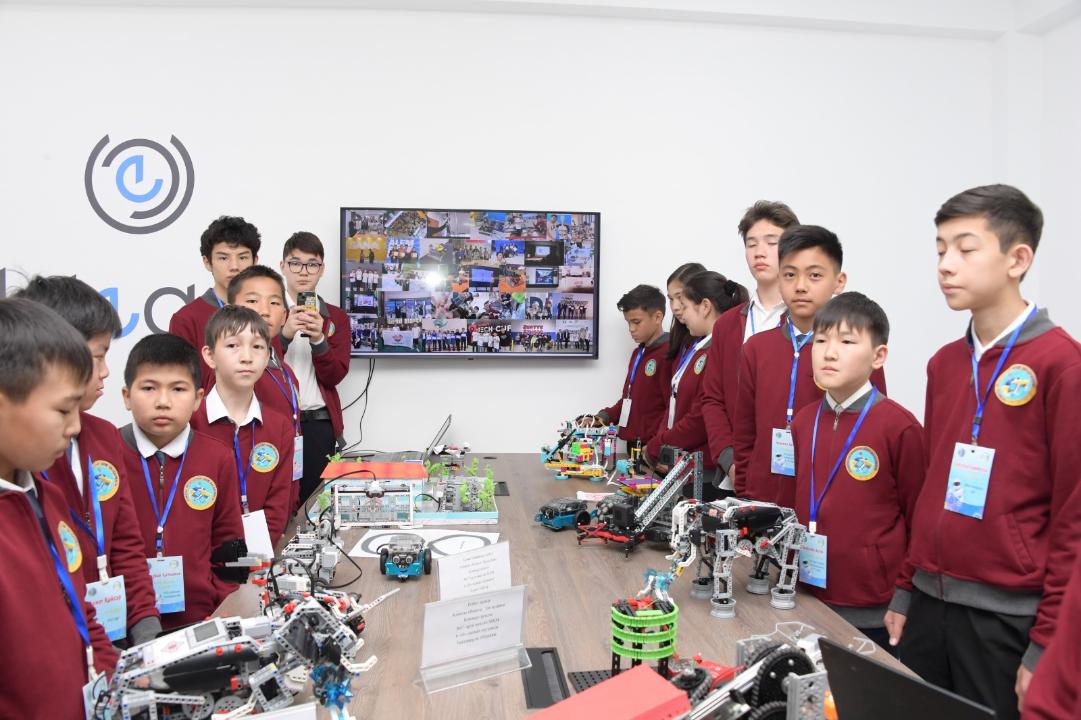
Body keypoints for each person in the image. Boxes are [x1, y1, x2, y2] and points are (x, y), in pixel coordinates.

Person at [884, 185, 1081, 720]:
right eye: (940, 249)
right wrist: (906, 588)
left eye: (965, 249)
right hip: (929, 603)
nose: (946, 265)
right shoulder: (945, 364)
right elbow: (932, 487)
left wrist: (1049, 643)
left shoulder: (1061, 364)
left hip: (1009, 617)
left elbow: (1073, 518)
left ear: (1018, 259)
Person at [16, 276, 161, 646]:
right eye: (98, 356)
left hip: (112, 637)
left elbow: (126, 544)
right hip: (59, 641)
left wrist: (147, 633)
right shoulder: (25, 454)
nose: (106, 371)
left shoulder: (105, 436)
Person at [0, 298, 118, 718]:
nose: (74, 426)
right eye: (63, 410)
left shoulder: (46, 496)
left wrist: (116, 682)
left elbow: (77, 605)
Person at [791, 292, 924, 654]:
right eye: (821, 341)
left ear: (878, 356)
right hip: (806, 594)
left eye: (847, 342)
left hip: (874, 607)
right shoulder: (803, 421)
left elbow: (919, 521)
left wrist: (905, 595)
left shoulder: (899, 427)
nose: (829, 353)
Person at [733, 225, 886, 508]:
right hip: (762, 497)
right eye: (790, 275)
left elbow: (871, 425)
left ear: (839, 281)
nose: (800, 286)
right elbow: (744, 433)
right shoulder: (756, 349)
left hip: (826, 497)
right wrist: (745, 489)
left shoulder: (854, 351)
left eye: (814, 275)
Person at [118, 334, 246, 630]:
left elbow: (230, 543)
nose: (163, 402)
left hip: (200, 618)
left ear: (198, 398)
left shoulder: (218, 457)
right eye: (148, 388)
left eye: (178, 389)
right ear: (127, 396)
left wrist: (222, 608)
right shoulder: (106, 455)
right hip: (124, 623)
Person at [701, 201, 799, 494]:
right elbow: (712, 399)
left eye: (771, 242)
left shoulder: (811, 321)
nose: (759, 252)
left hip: (798, 473)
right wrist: (730, 459)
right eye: (751, 244)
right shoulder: (728, 324)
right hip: (738, 473)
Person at [191, 306, 294, 544]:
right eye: (232, 346)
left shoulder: (279, 427)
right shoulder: (191, 422)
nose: (246, 357)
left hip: (259, 557)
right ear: (209, 356)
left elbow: (278, 507)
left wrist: (249, 559)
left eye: (257, 347)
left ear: (267, 356)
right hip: (201, 557)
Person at [643, 271, 747, 497]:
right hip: (683, 462)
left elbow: (700, 416)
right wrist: (661, 444)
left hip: (706, 469)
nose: (680, 313)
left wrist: (658, 444)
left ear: (705, 307)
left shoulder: (718, 350)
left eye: (685, 305)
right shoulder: (698, 347)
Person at [278, 232, 351, 509]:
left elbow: (334, 376)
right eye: (295, 263)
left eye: (312, 264)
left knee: (316, 507)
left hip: (319, 425)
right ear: (283, 266)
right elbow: (254, 368)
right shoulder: (268, 312)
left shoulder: (336, 317)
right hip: (276, 424)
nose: (303, 271)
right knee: (276, 502)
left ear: (322, 269)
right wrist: (284, 335)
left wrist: (319, 339)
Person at [227, 266, 303, 510]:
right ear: (230, 310)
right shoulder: (233, 371)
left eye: (274, 302)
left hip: (284, 495)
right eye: (252, 301)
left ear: (285, 315)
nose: (264, 310)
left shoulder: (286, 371)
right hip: (249, 504)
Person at [169, 216, 261, 387]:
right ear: (207, 262)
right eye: (223, 258)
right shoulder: (186, 318)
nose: (234, 266)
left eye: (242, 257)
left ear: (255, 261)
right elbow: (180, 384)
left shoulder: (264, 312)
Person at [595, 285, 672, 453]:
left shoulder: (669, 354)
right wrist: (602, 417)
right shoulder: (638, 353)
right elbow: (629, 400)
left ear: (658, 317)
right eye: (628, 322)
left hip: (653, 449)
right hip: (633, 446)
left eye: (636, 322)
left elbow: (672, 408)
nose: (631, 328)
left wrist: (656, 446)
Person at [665, 262, 707, 364]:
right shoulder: (678, 338)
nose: (674, 307)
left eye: (680, 297)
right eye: (671, 299)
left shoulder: (715, 339)